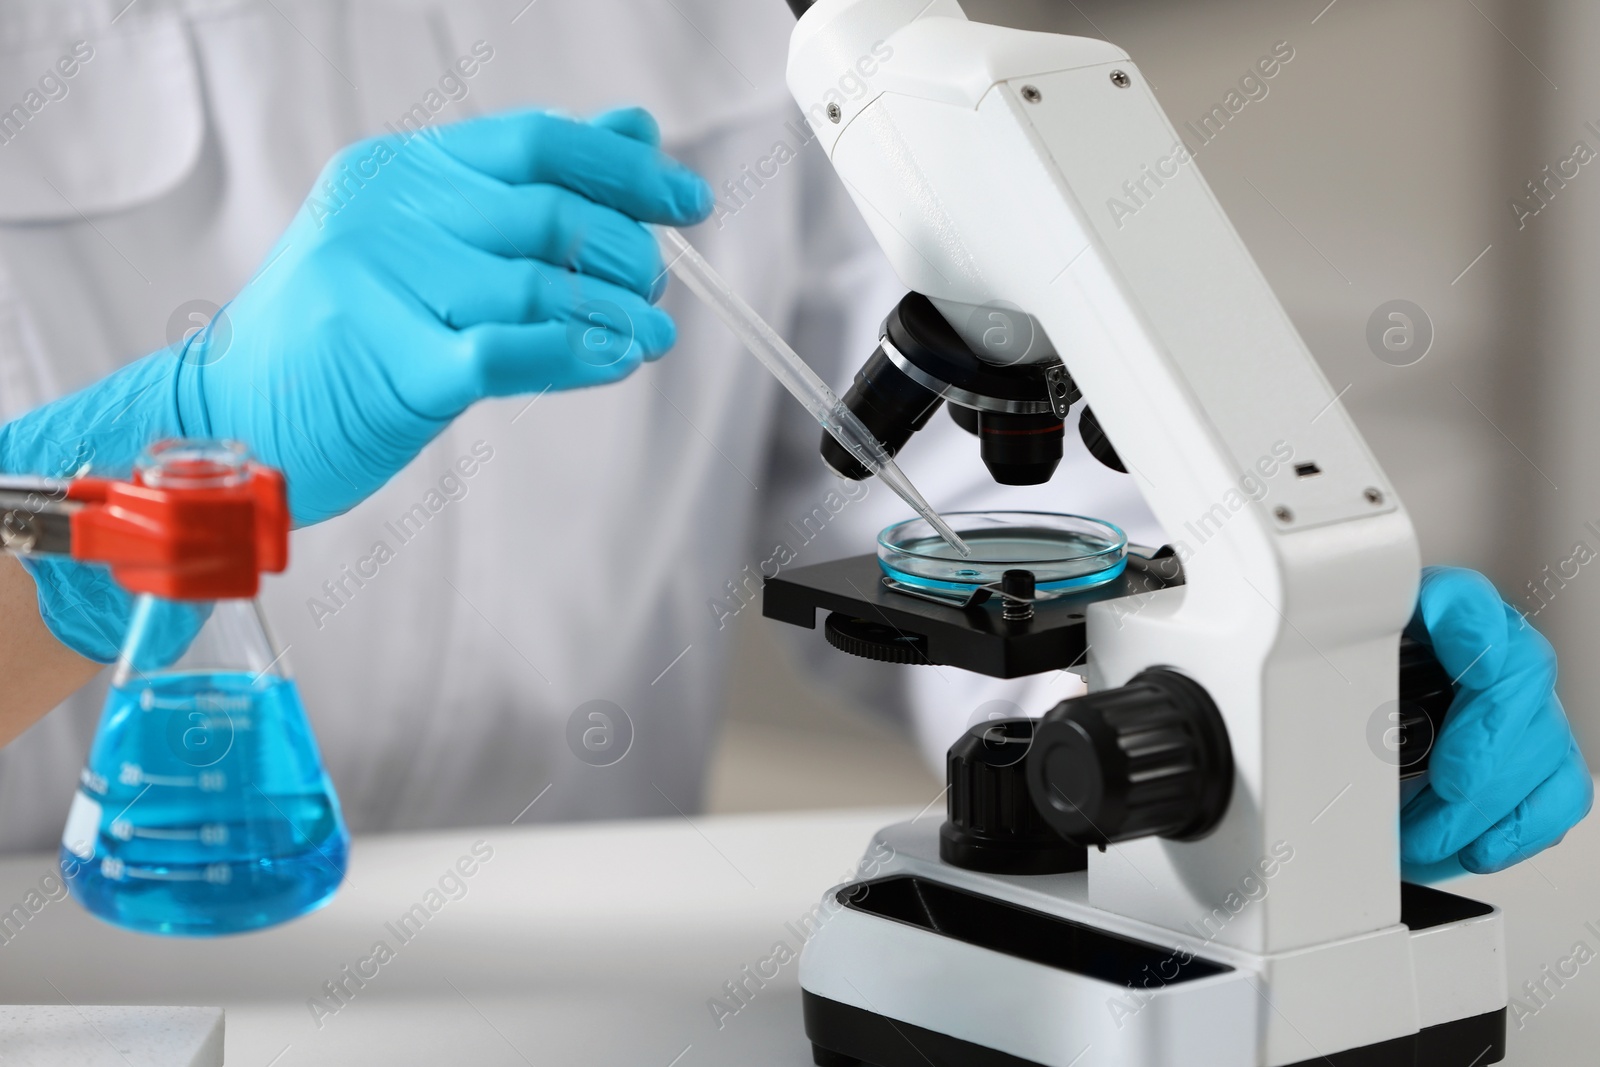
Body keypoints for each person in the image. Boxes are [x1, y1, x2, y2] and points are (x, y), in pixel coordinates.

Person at [0, 0, 1584, 881]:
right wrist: (152, 465)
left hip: (597, 987)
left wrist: (1267, 685)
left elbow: (974, 464)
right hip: (78, 968)